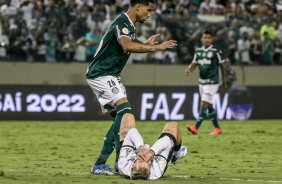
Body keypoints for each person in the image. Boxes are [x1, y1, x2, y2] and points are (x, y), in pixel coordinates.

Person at [86, 0, 177, 175]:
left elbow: (130, 40)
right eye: (148, 10)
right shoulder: (122, 22)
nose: (149, 14)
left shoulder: (128, 25)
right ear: (137, 6)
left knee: (120, 119)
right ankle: (117, 160)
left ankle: (103, 163)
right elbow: (126, 45)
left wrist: (147, 44)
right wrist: (156, 48)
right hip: (102, 73)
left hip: (110, 74)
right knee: (125, 109)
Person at [118, 113, 187, 180]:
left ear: (132, 165)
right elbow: (166, 140)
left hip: (129, 155)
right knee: (173, 125)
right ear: (151, 167)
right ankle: (176, 154)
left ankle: (117, 159)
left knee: (128, 116)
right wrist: (152, 152)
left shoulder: (124, 164)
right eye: (148, 161)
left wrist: (140, 148)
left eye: (141, 160)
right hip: (157, 159)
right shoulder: (157, 168)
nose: (145, 157)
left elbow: (132, 132)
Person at [185, 30, 227, 135]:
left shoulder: (216, 51)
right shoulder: (198, 51)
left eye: (209, 38)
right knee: (209, 106)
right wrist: (189, 69)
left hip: (212, 82)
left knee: (203, 103)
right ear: (201, 39)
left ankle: (195, 127)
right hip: (202, 83)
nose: (207, 39)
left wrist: (224, 81)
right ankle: (217, 128)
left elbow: (223, 66)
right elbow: (194, 63)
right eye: (205, 37)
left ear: (212, 40)